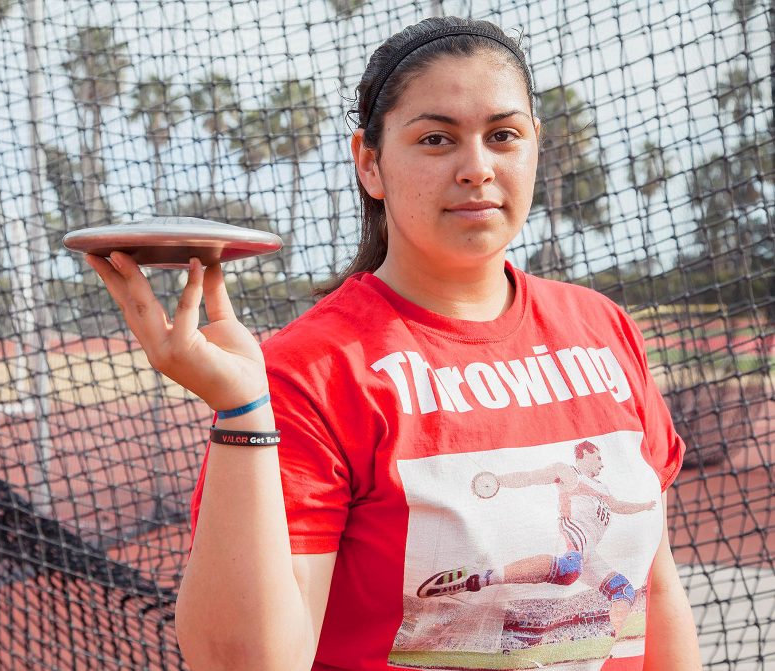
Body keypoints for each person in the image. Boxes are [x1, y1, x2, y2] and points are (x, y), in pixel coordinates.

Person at [86, 16, 702, 671]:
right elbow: (246, 662)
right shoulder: (310, 372)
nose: (477, 168)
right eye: (437, 138)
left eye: (503, 136)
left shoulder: (603, 329)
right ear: (370, 164)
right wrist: (242, 408)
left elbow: (656, 590)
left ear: (535, 148)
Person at [416, 439, 658, 639]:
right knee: (570, 568)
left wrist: (645, 505)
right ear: (584, 455)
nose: (602, 463)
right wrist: (499, 481)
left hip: (589, 550)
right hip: (573, 532)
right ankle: (479, 576)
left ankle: (611, 635)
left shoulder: (603, 489)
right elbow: (532, 476)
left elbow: (619, 506)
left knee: (624, 590)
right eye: (598, 457)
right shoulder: (568, 472)